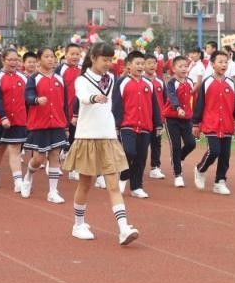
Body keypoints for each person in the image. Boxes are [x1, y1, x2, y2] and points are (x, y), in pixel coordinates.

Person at [62, 42, 140, 245]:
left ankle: (123, 228)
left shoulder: (112, 78)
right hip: (87, 136)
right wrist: (94, 97)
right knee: (85, 184)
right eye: (105, 59)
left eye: (110, 60)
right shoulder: (82, 79)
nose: (108, 64)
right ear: (93, 58)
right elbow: (82, 97)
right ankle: (78, 224)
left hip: (107, 136)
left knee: (113, 184)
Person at [192, 51, 235, 195]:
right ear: (212, 64)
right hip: (211, 124)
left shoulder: (231, 83)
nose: (223, 65)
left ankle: (220, 181)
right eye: (220, 62)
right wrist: (195, 123)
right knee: (214, 151)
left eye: (226, 62)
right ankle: (200, 169)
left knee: (225, 155)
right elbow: (200, 104)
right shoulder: (207, 82)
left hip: (227, 124)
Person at [21, 48, 69, 203]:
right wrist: (36, 100)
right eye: (47, 57)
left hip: (57, 123)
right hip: (39, 124)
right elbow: (27, 96)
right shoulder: (34, 78)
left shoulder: (60, 79)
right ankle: (28, 177)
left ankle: (53, 191)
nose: (51, 59)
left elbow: (65, 104)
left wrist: (66, 124)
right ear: (39, 59)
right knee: (39, 159)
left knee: (55, 155)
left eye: (52, 57)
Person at [113, 51, 162, 198]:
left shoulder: (149, 83)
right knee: (129, 152)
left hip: (146, 126)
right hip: (127, 125)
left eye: (142, 64)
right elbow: (116, 105)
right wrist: (116, 125)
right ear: (128, 66)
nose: (140, 66)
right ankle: (123, 176)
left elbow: (155, 106)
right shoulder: (122, 82)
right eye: (137, 63)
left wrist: (158, 124)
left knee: (141, 157)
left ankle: (136, 187)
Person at [0, 48, 27, 191]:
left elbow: (27, 99)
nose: (13, 63)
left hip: (18, 119)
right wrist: (3, 116)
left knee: (15, 149)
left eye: (16, 60)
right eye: (10, 60)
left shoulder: (23, 77)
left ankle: (18, 181)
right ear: (3, 60)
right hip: (0, 120)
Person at [163, 56, 196, 187]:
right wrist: (177, 108)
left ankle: (179, 158)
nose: (184, 69)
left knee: (191, 144)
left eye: (185, 66)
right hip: (172, 118)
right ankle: (178, 175)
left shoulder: (190, 81)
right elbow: (172, 96)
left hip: (186, 119)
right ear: (173, 68)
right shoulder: (171, 82)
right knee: (175, 146)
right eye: (180, 66)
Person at [56, 44, 82, 182]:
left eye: (77, 54)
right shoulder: (60, 70)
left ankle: (73, 169)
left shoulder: (83, 70)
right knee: (60, 139)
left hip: (78, 113)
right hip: (63, 111)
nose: (75, 57)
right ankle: (53, 162)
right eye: (72, 54)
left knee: (76, 140)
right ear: (65, 55)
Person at [144, 53, 166, 180]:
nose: (152, 65)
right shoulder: (140, 81)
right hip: (144, 118)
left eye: (154, 63)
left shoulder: (160, 82)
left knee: (156, 143)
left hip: (157, 120)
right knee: (142, 144)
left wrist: (162, 118)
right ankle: (134, 166)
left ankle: (155, 167)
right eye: (149, 63)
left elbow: (165, 100)